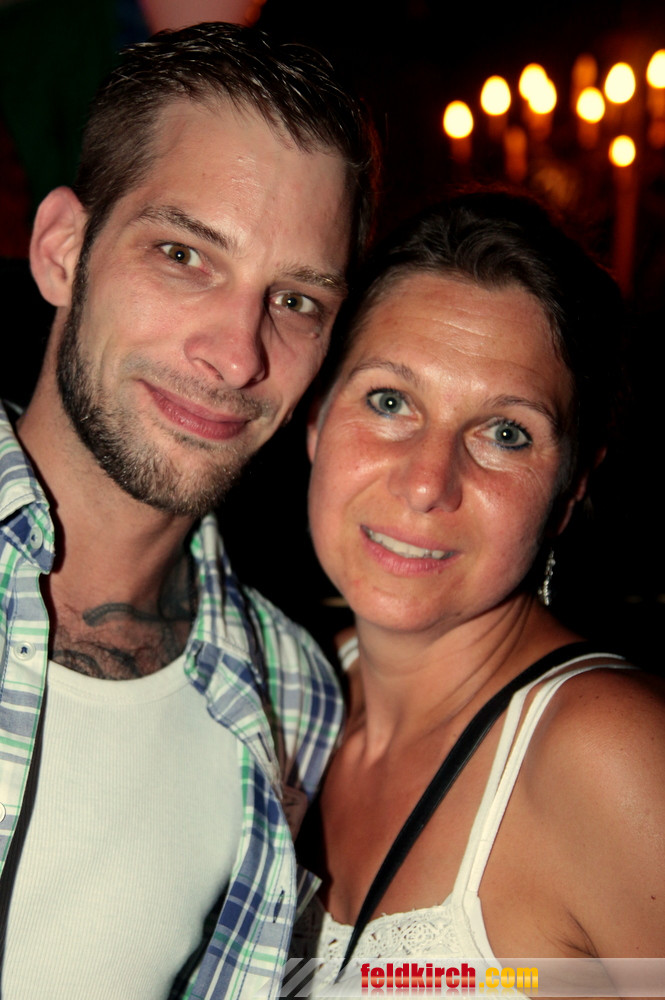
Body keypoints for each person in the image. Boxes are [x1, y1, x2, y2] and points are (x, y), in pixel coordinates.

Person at [0, 22, 378, 1000]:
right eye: (183, 254)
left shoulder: (294, 701)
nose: (238, 353)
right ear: (62, 250)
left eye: (295, 301)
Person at [293, 192, 665, 993]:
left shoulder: (612, 756)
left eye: (504, 433)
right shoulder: (288, 699)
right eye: (389, 401)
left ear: (568, 490)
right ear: (316, 418)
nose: (428, 482)